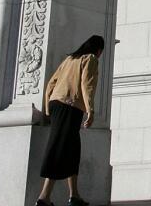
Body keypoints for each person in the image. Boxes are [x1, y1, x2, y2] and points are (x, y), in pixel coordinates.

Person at [35, 35, 105, 206]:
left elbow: (52, 83)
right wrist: (90, 110)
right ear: (99, 50)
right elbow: (86, 84)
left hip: (57, 104)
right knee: (60, 147)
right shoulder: (91, 58)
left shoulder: (70, 59)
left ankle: (74, 196)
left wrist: (48, 109)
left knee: (72, 149)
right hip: (70, 106)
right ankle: (44, 197)